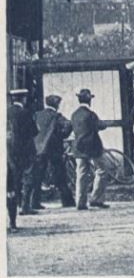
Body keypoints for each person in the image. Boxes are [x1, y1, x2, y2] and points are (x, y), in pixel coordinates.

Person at [29, 95, 73, 210]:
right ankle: (67, 201)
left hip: (39, 149)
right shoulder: (57, 117)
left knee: (37, 176)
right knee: (60, 175)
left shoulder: (37, 115)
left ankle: (34, 202)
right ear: (57, 105)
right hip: (54, 150)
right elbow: (67, 128)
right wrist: (63, 135)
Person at [70, 89, 111, 210]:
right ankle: (96, 199)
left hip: (79, 147)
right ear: (89, 100)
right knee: (102, 170)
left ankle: (80, 202)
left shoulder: (74, 114)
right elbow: (100, 126)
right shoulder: (91, 114)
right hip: (93, 147)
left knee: (81, 174)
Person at [8, 90, 37, 225]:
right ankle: (25, 206)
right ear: (23, 98)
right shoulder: (25, 113)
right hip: (26, 150)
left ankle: (16, 202)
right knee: (28, 177)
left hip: (10, 151)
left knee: (14, 178)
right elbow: (34, 131)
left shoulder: (6, 112)